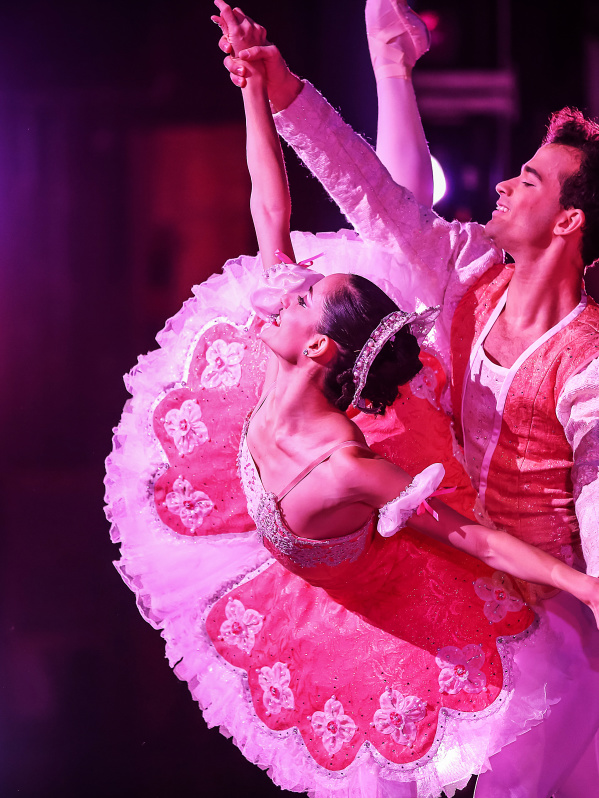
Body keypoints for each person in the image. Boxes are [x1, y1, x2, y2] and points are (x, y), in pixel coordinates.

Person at [104, 4, 599, 797]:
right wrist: (274, 86)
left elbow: (570, 503)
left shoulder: (581, 365)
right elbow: (339, 197)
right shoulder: (468, 272)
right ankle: (391, 60)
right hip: (407, 484)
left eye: (530, 178)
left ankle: (391, 58)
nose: (506, 180)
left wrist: (587, 587)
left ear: (568, 219)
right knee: (391, 243)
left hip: (489, 557)